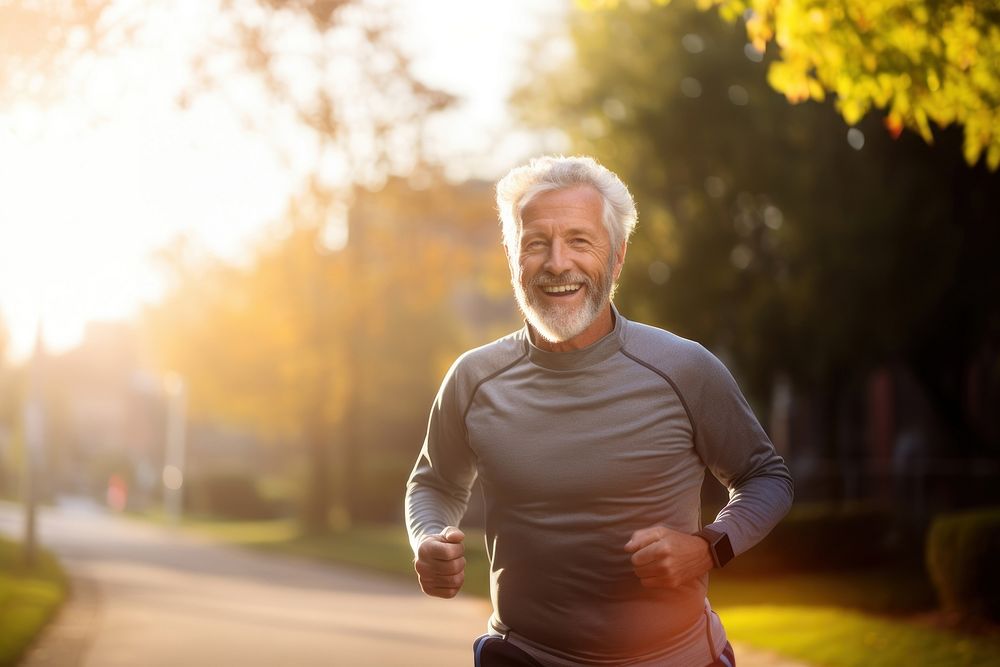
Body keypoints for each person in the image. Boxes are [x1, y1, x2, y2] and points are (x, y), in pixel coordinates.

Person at [405, 155, 793, 666]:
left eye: (579, 240)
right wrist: (428, 539)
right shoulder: (473, 379)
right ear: (513, 257)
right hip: (524, 657)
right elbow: (434, 484)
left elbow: (765, 477)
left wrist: (707, 547)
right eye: (536, 242)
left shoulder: (683, 368)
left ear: (617, 257)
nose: (557, 262)